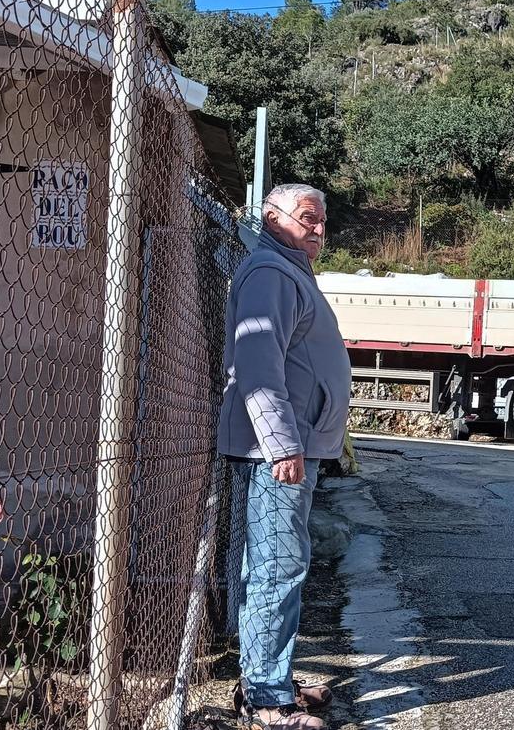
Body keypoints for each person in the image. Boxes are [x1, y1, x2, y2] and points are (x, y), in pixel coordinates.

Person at [218, 184, 351, 729]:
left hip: (287, 449)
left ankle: (265, 679)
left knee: (273, 566)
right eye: (306, 218)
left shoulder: (285, 270)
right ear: (272, 219)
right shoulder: (272, 273)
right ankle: (268, 700)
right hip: (276, 453)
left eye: (322, 220)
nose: (317, 228)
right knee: (278, 567)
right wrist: (283, 444)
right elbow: (258, 362)